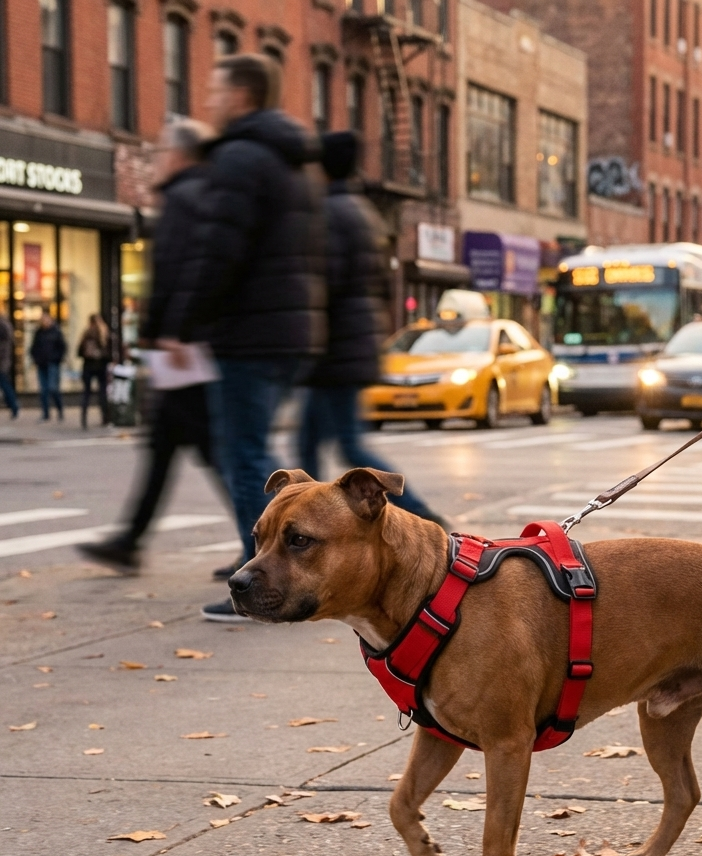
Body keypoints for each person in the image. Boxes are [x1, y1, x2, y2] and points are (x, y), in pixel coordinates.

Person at [169, 54, 326, 622]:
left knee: (244, 458)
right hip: (288, 331)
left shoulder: (239, 156)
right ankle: (274, 556)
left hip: (248, 331)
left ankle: (259, 580)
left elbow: (218, 250)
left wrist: (184, 323)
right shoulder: (296, 161)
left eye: (215, 90)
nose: (209, 101)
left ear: (241, 95)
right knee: (252, 453)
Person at [77, 120, 221, 573]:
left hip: (179, 348)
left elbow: (177, 271)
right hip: (186, 345)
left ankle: (263, 533)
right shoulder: (207, 196)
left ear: (178, 156)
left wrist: (165, 332)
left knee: (207, 450)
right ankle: (130, 540)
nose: (157, 161)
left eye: (161, 153)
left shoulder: (183, 198)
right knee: (169, 445)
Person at [297, 131, 444, 526]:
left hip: (335, 351)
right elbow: (380, 286)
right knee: (313, 443)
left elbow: (328, 285)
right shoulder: (363, 213)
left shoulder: (331, 214)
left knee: (342, 445)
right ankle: (306, 522)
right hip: (351, 348)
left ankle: (417, 512)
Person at [30, 313, 66, 421]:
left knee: (53, 388)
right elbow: (33, 348)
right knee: (43, 390)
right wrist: (36, 358)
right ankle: (45, 413)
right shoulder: (39, 333)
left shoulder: (56, 332)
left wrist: (57, 358)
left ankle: (59, 409)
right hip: (42, 364)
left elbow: (62, 347)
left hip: (52, 364)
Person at [77, 313, 111, 428]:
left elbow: (79, 351)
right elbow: (108, 351)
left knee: (86, 392)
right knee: (102, 392)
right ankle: (105, 417)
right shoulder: (103, 333)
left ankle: (84, 418)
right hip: (101, 366)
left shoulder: (86, 333)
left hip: (88, 366)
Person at [0, 313, 17, 419]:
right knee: (5, 384)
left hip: (2, 362)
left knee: (5, 384)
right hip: (4, 361)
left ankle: (14, 405)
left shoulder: (2, 327)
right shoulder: (6, 325)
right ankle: (13, 405)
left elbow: (3, 347)